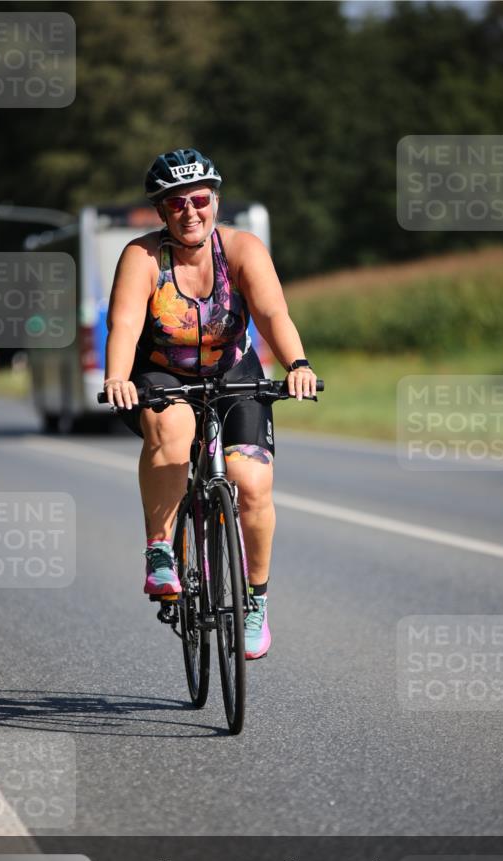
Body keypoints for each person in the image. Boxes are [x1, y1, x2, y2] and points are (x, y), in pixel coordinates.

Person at [104, 148, 317, 659]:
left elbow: (271, 313)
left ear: (215, 201)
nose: (190, 211)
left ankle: (256, 602)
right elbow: (126, 324)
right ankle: (160, 551)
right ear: (160, 212)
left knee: (252, 481)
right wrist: (116, 375)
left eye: (199, 199)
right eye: (175, 203)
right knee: (173, 433)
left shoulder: (243, 249)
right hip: (162, 374)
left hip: (233, 373)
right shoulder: (143, 256)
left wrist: (298, 365)